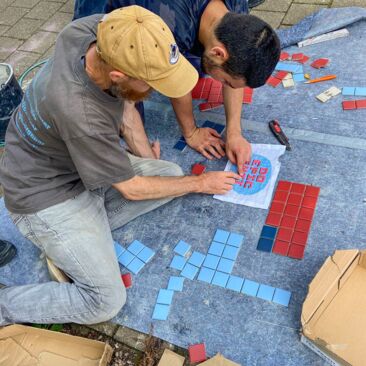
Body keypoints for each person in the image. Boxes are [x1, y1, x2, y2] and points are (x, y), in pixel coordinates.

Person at [0, 6, 240, 326]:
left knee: (167, 173)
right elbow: (131, 188)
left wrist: (144, 157)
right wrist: (200, 183)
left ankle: (78, 238)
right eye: (152, 83)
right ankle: (7, 304)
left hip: (75, 159)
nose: (157, 91)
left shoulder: (99, 33)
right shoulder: (80, 112)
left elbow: (125, 105)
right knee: (104, 301)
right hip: (44, 196)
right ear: (118, 75)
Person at [74, 0, 281, 175]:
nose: (225, 86)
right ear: (219, 53)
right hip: (108, 15)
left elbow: (233, 75)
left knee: (196, 66)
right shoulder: (170, 25)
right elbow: (174, 77)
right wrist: (190, 132)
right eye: (226, 82)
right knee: (121, 99)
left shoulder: (235, 15)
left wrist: (234, 132)